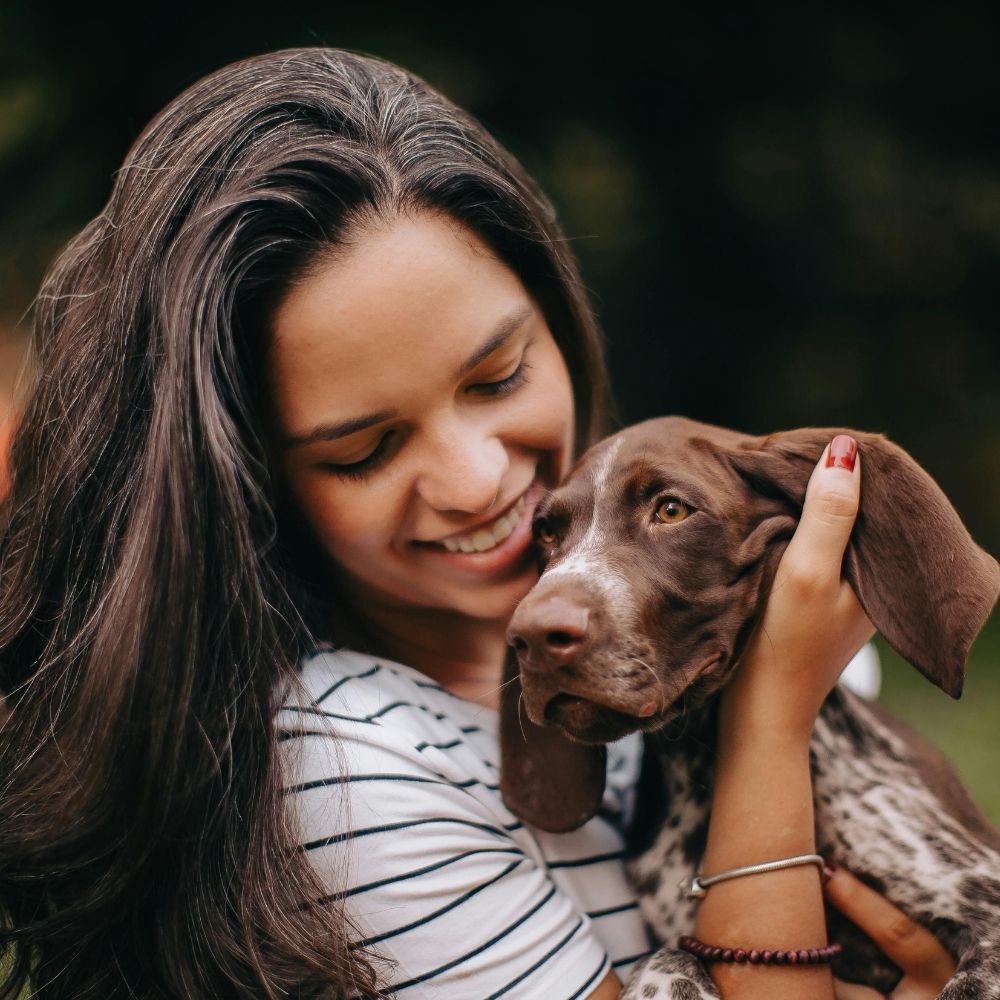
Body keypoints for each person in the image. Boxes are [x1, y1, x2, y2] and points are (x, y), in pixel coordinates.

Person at [0, 47, 955, 1000]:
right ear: (252, 484)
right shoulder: (344, 774)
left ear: (557, 313)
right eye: (363, 451)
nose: (478, 482)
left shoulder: (711, 609)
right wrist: (768, 724)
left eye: (498, 378)